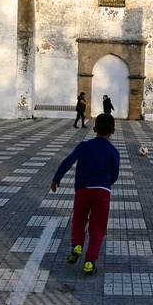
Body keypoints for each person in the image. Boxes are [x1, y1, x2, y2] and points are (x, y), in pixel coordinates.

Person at [51, 113, 120, 275]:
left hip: (82, 189)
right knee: (98, 226)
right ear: (113, 131)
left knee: (79, 219)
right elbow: (115, 175)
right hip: (102, 192)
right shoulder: (113, 151)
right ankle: (90, 261)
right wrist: (105, 184)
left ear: (94, 129)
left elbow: (67, 162)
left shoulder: (83, 146)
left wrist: (56, 179)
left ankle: (77, 246)